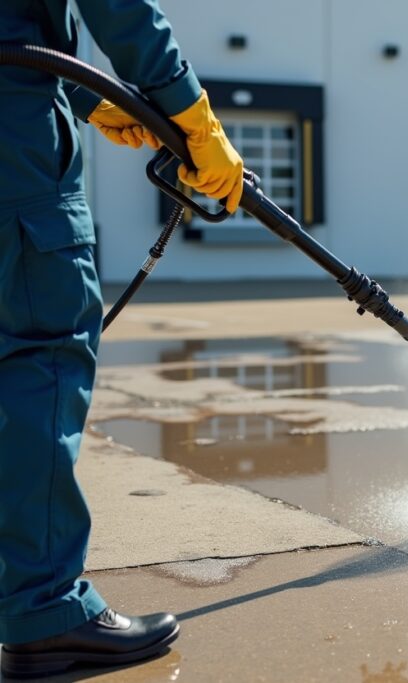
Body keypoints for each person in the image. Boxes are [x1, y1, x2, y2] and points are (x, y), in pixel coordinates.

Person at [0, 0, 243, 677]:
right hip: (13, 153)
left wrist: (89, 95)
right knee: (40, 355)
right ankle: (46, 614)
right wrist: (191, 114)